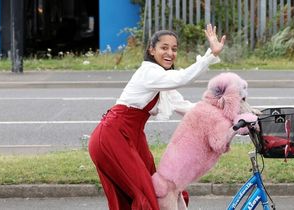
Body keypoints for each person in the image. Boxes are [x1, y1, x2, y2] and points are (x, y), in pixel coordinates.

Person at [88, 23, 226, 210]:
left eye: (174, 49)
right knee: (145, 193)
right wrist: (212, 54)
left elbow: (188, 107)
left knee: (160, 188)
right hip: (113, 136)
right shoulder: (149, 73)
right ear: (151, 50)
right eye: (164, 48)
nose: (170, 53)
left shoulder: (161, 80)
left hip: (131, 137)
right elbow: (182, 78)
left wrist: (224, 111)